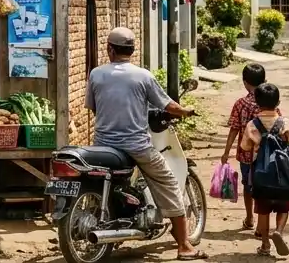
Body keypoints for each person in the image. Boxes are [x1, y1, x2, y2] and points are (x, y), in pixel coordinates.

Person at [86, 27, 205, 260]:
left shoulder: (96, 74)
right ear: (132, 50)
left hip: (102, 145)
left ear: (110, 49)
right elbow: (169, 106)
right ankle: (184, 246)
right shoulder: (143, 76)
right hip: (136, 146)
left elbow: (94, 108)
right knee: (169, 182)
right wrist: (186, 111)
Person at [240, 83, 289, 257]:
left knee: (263, 210)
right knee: (283, 207)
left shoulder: (253, 125)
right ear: (278, 102)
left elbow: (245, 147)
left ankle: (265, 244)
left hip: (261, 175)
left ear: (257, 104)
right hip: (283, 174)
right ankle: (279, 232)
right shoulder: (285, 122)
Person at [219, 63, 270, 231]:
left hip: (246, 153)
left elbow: (234, 129)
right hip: (266, 154)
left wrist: (226, 152)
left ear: (245, 82)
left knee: (248, 186)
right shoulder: (270, 102)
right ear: (264, 80)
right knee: (263, 187)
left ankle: (249, 218)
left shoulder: (240, 104)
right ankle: (263, 224)